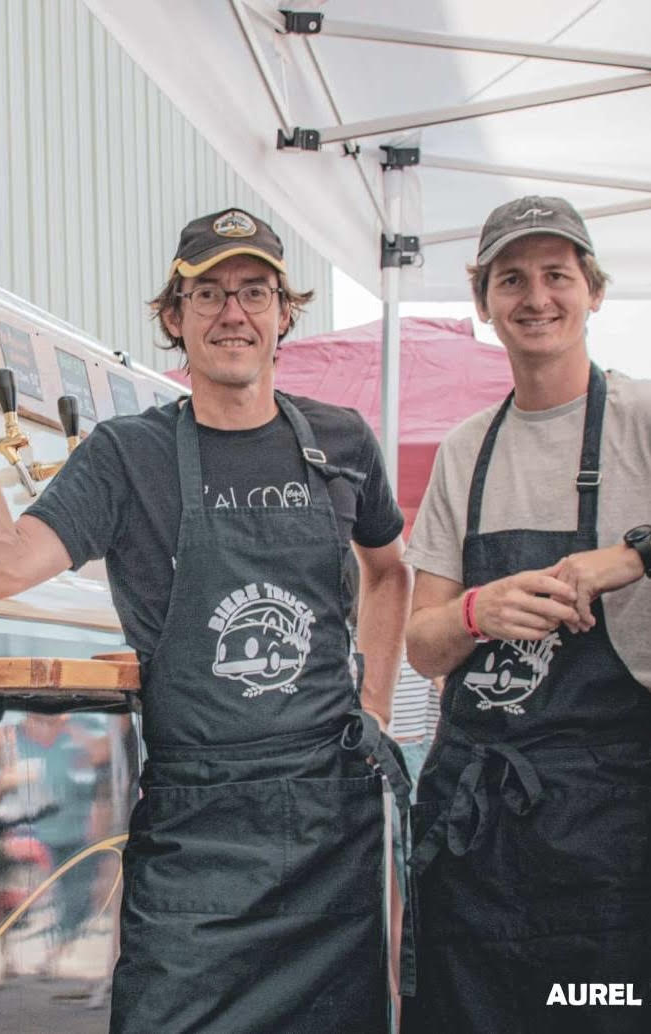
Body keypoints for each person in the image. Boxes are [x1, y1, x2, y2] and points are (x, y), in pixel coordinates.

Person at [0, 208, 412, 1032]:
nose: (232, 313)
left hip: (331, 823)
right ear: (173, 318)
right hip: (197, 829)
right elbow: (1, 566)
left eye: (254, 292)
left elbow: (391, 572)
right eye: (206, 293)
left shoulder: (341, 441)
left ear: (286, 313)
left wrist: (378, 710)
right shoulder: (124, 455)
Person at [401, 196, 651, 1032]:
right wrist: (477, 608)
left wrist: (630, 555)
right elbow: (424, 648)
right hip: (477, 827)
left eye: (557, 275)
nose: (535, 297)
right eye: (512, 279)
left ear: (594, 291)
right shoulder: (466, 449)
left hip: (610, 822)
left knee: (599, 1012)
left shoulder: (640, 419)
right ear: (483, 301)